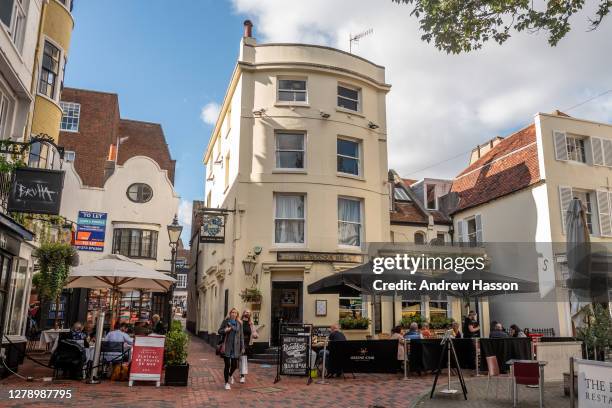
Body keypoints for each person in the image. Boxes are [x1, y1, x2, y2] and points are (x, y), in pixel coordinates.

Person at [218, 308, 244, 390]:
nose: (233, 314)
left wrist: (242, 347)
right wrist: (225, 330)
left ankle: (230, 375)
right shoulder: (226, 322)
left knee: (234, 365)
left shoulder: (239, 324)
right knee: (227, 365)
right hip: (227, 346)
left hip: (236, 347)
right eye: (232, 312)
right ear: (230, 314)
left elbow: (241, 337)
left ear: (237, 314)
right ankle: (226, 383)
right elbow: (219, 331)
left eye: (235, 313)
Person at [239, 309, 258, 384]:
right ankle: (239, 372)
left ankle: (242, 376)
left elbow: (254, 332)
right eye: (246, 312)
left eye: (249, 313)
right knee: (239, 359)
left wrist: (255, 335)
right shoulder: (240, 322)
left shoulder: (251, 323)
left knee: (243, 359)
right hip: (240, 342)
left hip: (247, 343)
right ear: (243, 313)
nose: (247, 314)